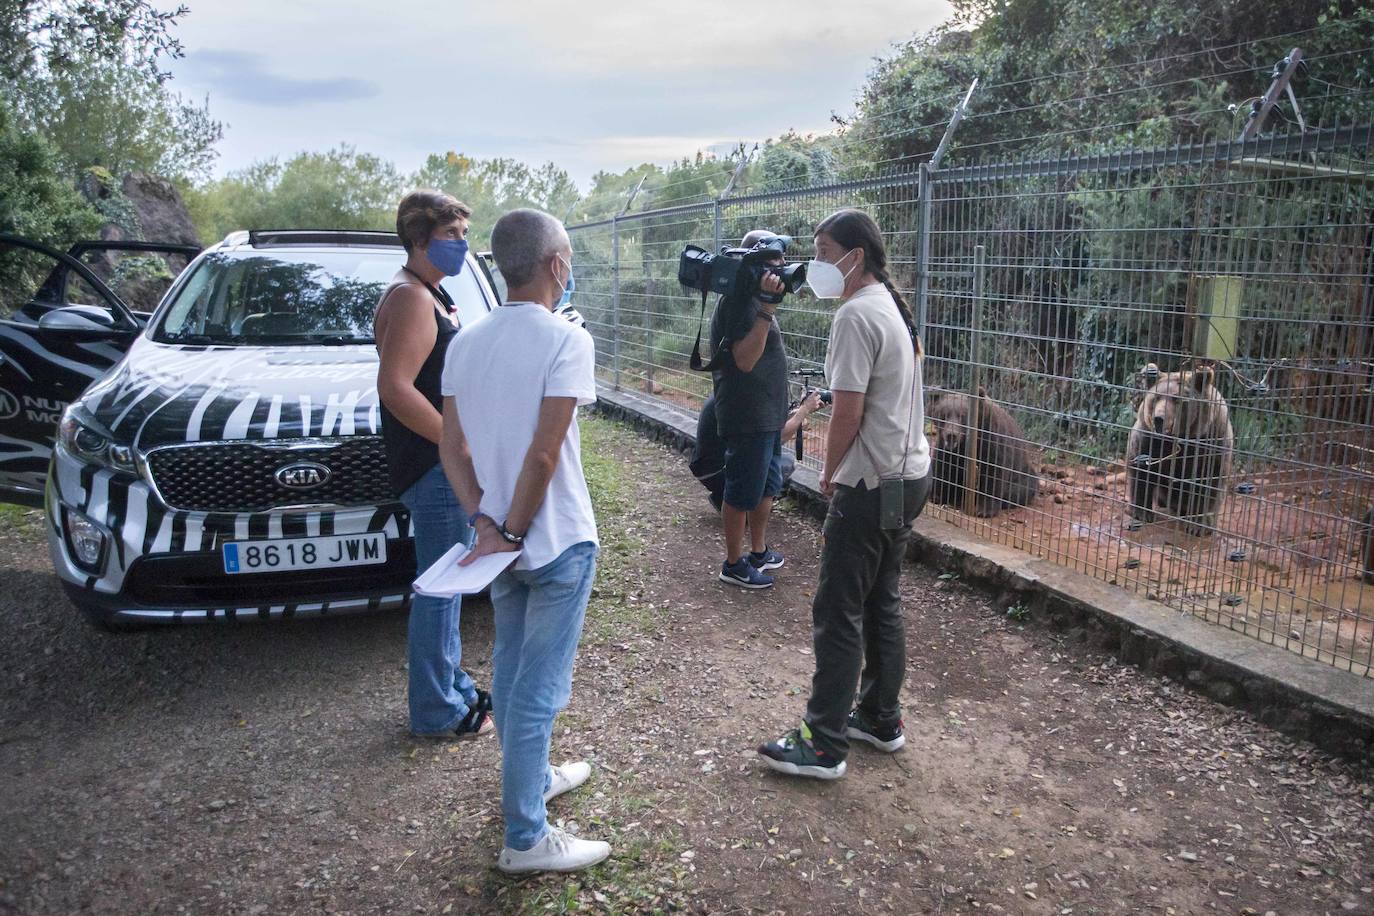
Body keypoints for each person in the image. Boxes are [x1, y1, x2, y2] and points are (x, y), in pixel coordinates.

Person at [438, 208, 608, 874]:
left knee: (510, 669)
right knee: (538, 686)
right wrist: (510, 525)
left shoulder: (466, 341)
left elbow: (453, 447)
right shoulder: (566, 340)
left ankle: (531, 782)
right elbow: (544, 455)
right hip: (556, 539)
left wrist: (486, 522)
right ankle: (526, 838)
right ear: (556, 265)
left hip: (498, 545)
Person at [758, 208, 932, 780]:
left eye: (826, 250)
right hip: (908, 477)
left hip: (872, 481)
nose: (819, 263)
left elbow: (848, 410)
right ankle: (880, 718)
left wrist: (830, 474)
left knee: (839, 610)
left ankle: (824, 742)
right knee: (881, 600)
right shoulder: (890, 306)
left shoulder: (856, 315)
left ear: (855, 256)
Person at [374, 189, 492, 739]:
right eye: (452, 236)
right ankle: (436, 710)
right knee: (440, 589)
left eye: (464, 235)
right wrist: (455, 445)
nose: (462, 246)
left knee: (447, 584)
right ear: (419, 239)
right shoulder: (413, 300)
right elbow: (397, 389)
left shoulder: (425, 292)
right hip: (432, 466)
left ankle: (452, 686)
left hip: (436, 462)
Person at [708, 229, 792, 589]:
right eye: (775, 261)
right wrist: (766, 309)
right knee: (742, 490)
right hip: (747, 414)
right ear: (755, 264)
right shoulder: (740, 302)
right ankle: (733, 563)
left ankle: (758, 551)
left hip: (768, 413)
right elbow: (743, 360)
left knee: (766, 486)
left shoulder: (753, 298)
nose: (783, 267)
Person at [690, 390, 824, 513]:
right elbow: (775, 440)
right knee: (785, 463)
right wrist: (803, 410)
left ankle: (723, 498)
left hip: (707, 469)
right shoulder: (744, 397)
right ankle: (740, 506)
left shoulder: (729, 390)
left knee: (767, 458)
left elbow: (768, 428)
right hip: (717, 472)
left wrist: (799, 410)